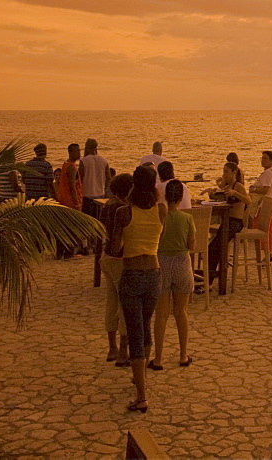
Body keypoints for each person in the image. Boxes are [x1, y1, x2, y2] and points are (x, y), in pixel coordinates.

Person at [109, 165, 166, 413]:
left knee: (134, 333)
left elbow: (114, 248)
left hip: (131, 273)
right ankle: (140, 376)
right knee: (145, 326)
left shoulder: (124, 212)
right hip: (154, 274)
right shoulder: (161, 210)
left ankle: (141, 396)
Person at [150, 180, 195, 371]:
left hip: (162, 262)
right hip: (182, 262)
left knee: (161, 314)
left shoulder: (160, 217)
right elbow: (191, 245)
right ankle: (183, 354)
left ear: (166, 196)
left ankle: (158, 357)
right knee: (181, 311)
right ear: (181, 197)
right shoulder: (187, 219)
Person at [99, 173, 132, 365]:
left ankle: (111, 347)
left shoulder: (107, 206)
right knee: (124, 306)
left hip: (106, 259)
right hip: (119, 259)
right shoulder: (122, 209)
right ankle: (123, 351)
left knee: (111, 304)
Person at [207, 162, 249, 289]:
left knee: (216, 247)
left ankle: (210, 281)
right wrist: (210, 193)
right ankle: (209, 278)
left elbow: (248, 200)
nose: (224, 174)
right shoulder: (228, 186)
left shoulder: (238, 186)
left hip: (235, 222)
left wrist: (235, 193)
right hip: (227, 221)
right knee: (213, 247)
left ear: (233, 172)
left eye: (226, 171)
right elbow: (218, 195)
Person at [248, 151, 272, 251]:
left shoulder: (268, 173)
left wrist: (253, 189)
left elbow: (265, 189)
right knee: (269, 230)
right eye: (262, 158)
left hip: (264, 205)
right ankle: (268, 252)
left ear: (271, 161)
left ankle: (264, 251)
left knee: (259, 229)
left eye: (265, 158)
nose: (262, 160)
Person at [56, 143, 84, 258]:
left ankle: (61, 251)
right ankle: (68, 251)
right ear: (71, 152)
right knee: (71, 227)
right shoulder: (71, 167)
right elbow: (72, 186)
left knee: (64, 226)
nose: (79, 153)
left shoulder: (66, 165)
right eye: (77, 151)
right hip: (70, 200)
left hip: (63, 198)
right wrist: (76, 203)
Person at [79, 138, 111, 219]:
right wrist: (103, 188)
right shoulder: (104, 161)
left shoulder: (83, 161)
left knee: (87, 219)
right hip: (100, 195)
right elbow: (108, 178)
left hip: (87, 195)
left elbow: (80, 179)